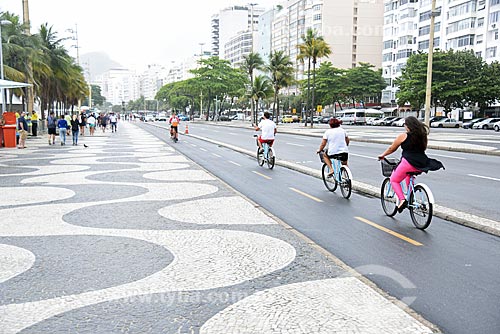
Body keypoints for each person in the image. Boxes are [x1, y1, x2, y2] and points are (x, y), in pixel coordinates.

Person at [378, 116, 444, 213]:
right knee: (409, 175)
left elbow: (392, 148)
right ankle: (410, 196)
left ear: (408, 126)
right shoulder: (422, 135)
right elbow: (424, 148)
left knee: (394, 180)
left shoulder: (404, 136)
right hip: (422, 162)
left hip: (408, 162)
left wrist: (382, 155)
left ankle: (402, 199)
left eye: (405, 125)